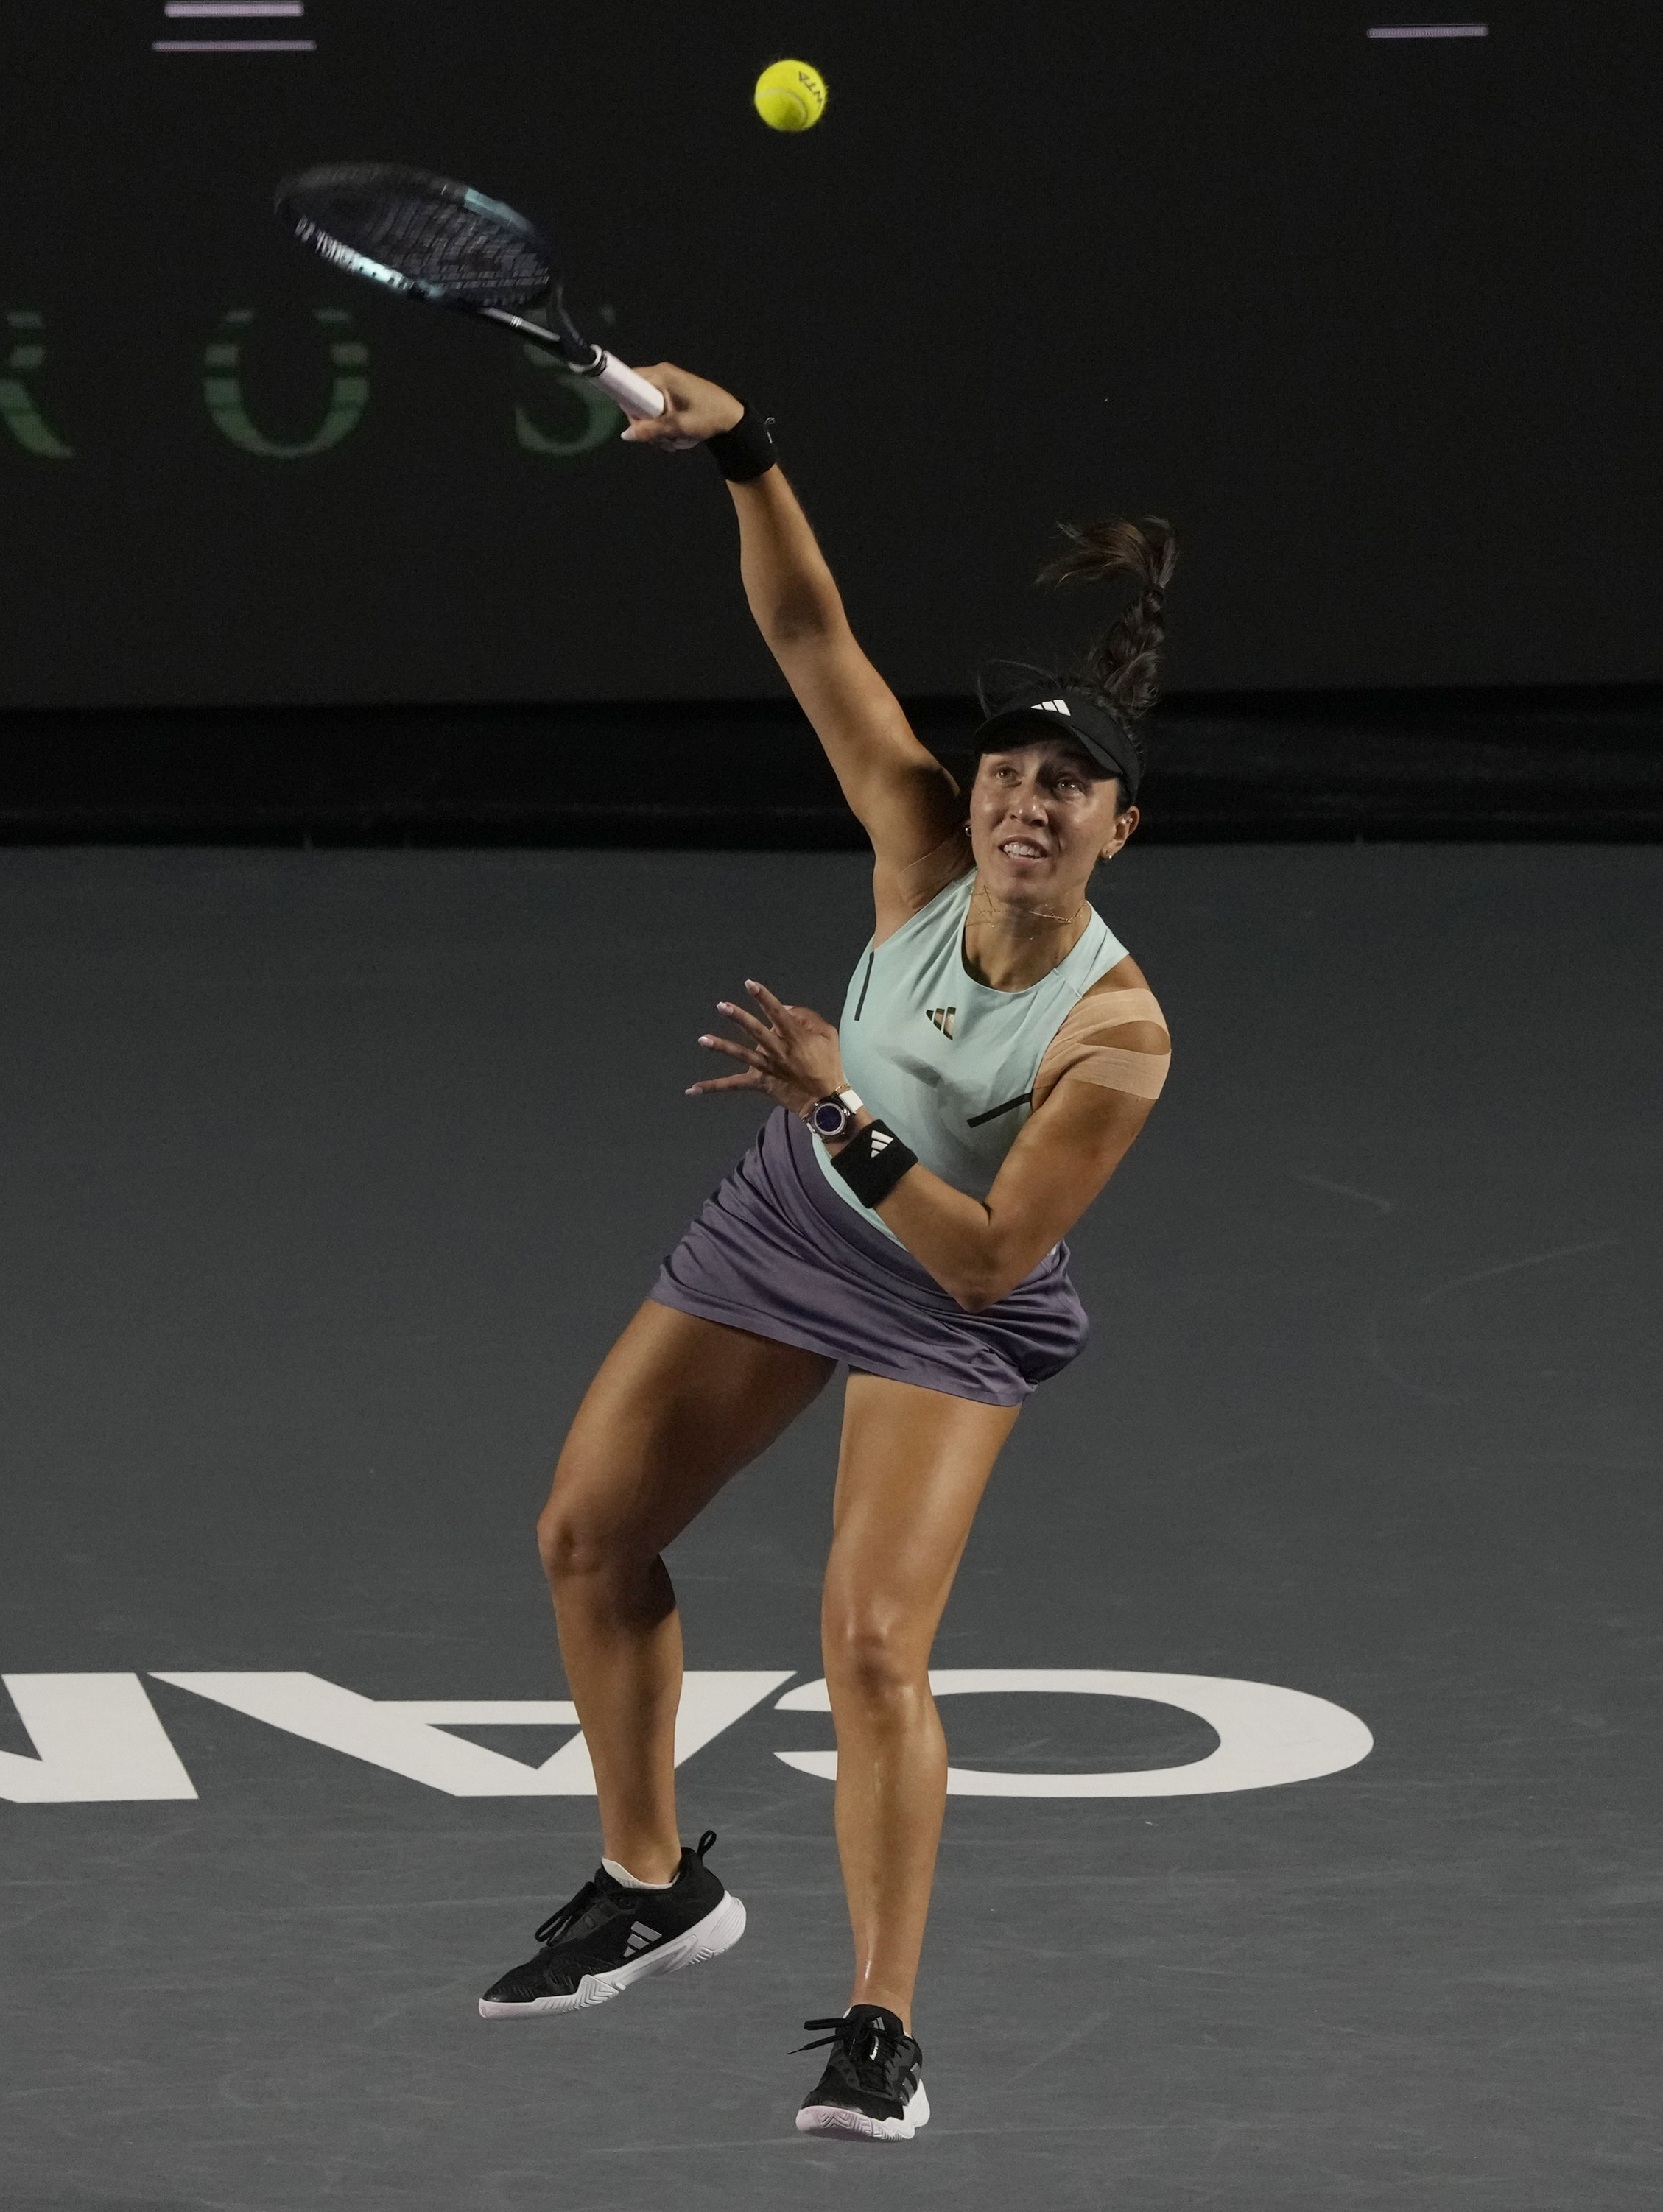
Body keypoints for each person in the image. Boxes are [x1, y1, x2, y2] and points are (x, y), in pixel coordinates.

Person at [469, 362, 1176, 2146]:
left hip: (956, 1294)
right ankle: (653, 1878)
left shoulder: (1119, 1036)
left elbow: (991, 1249)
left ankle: (883, 2023)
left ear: (1117, 830)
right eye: (1009, 767)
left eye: (1066, 789)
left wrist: (837, 1091)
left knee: (869, 1642)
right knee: (586, 1532)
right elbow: (809, 633)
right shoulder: (919, 844)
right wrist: (746, 457)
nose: (1024, 801)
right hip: (800, 1211)